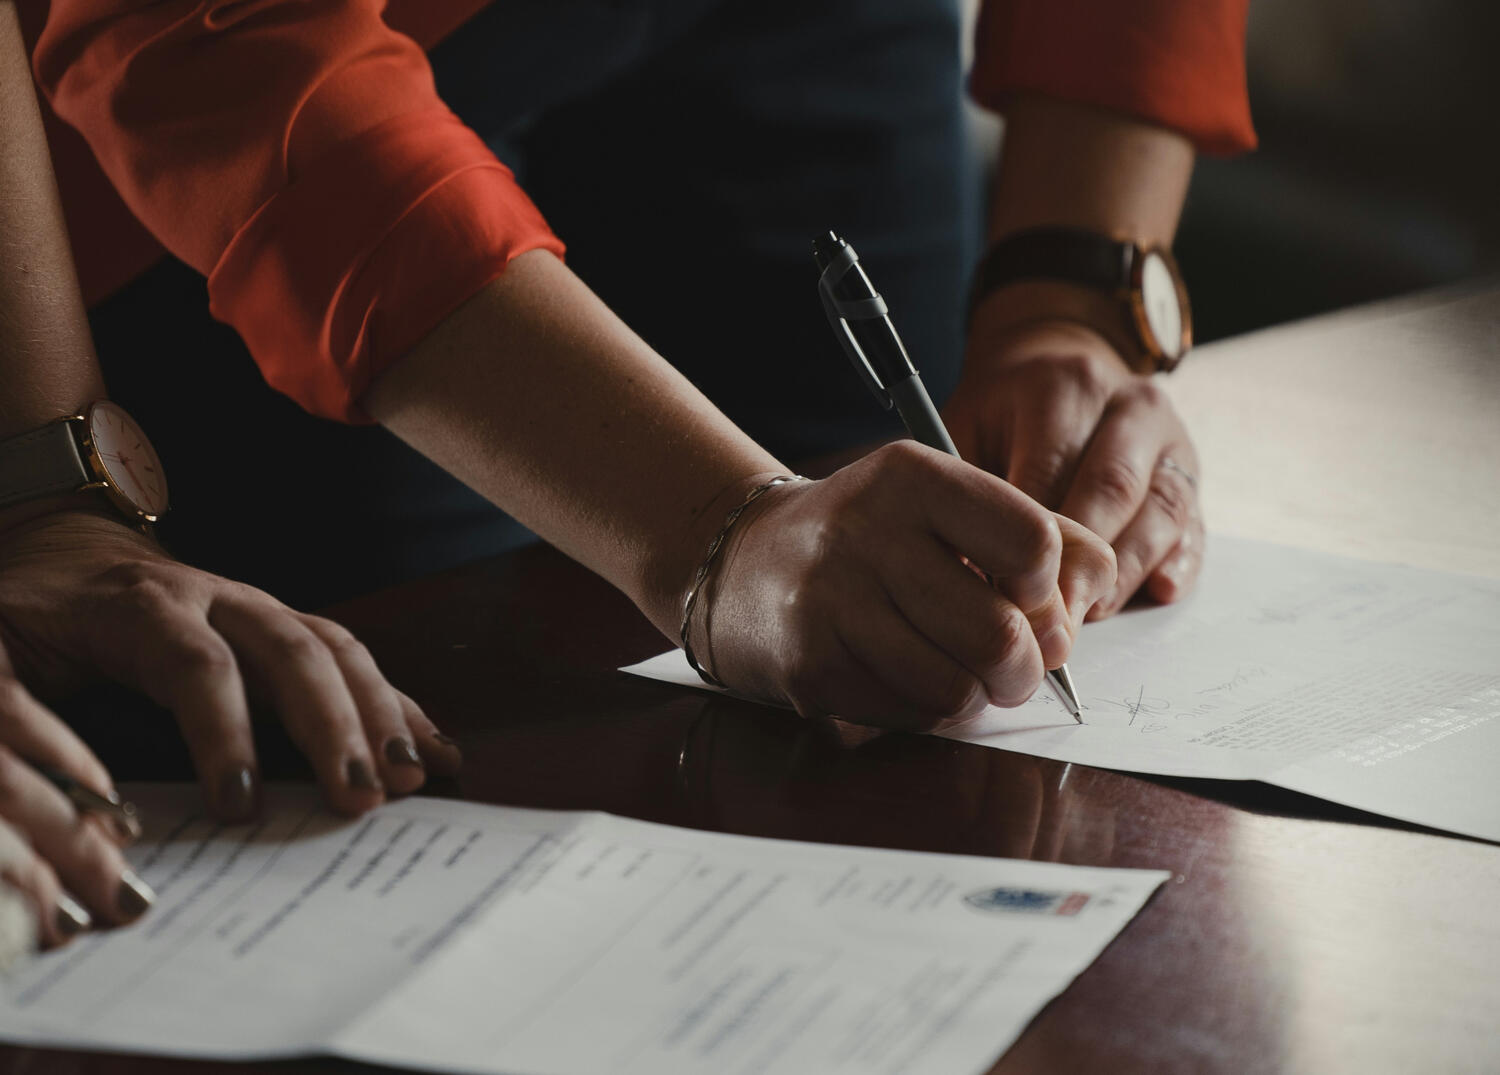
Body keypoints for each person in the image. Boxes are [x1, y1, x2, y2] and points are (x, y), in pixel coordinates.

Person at [1, 0, 1252, 822]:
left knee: (894, 687)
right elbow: (215, 39)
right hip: (294, 102)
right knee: (456, 753)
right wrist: (716, 527)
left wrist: (1068, 293)